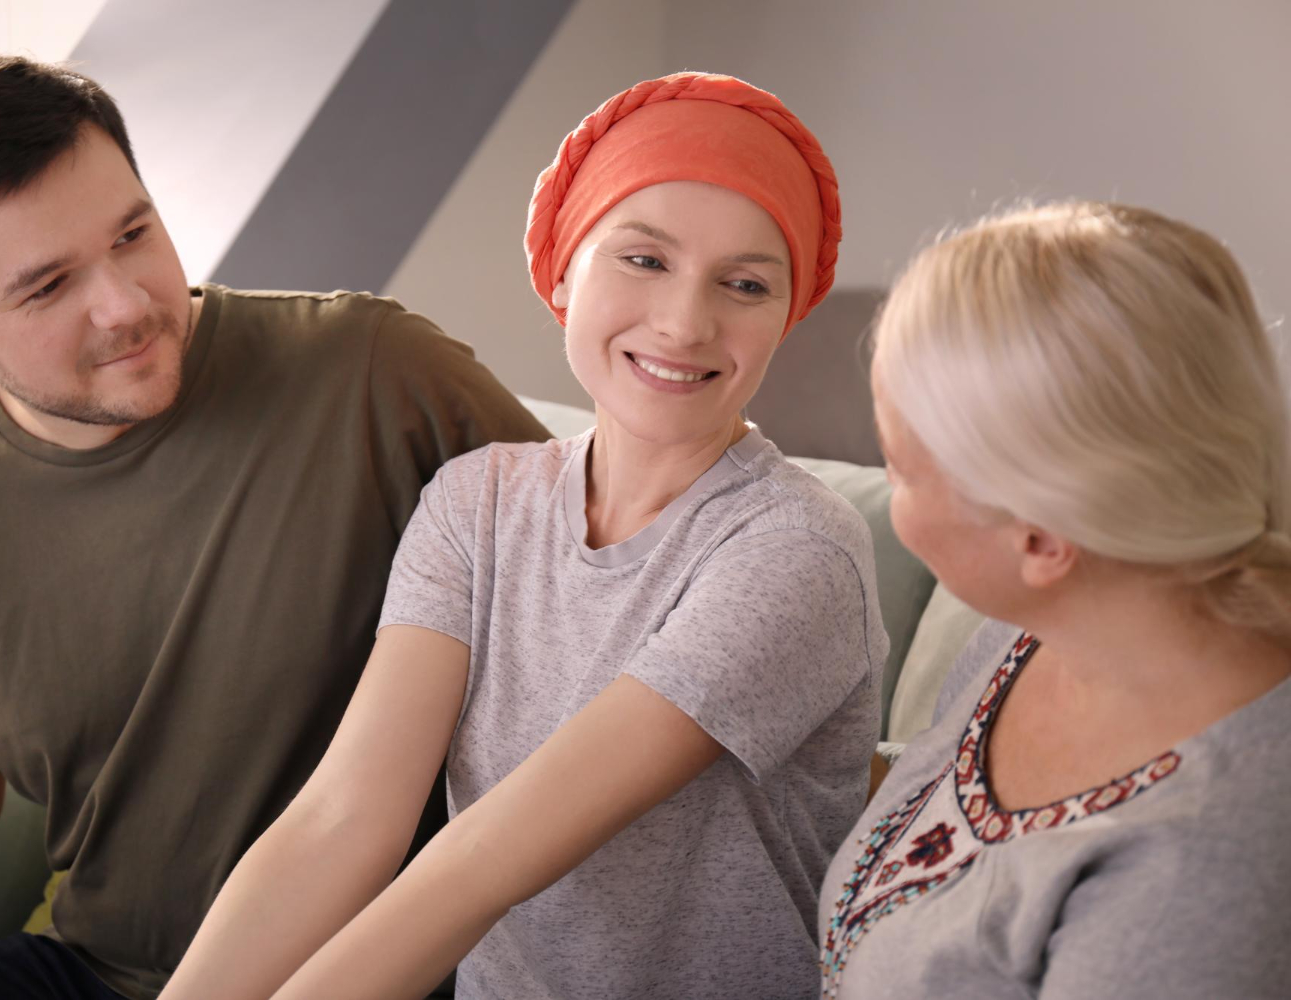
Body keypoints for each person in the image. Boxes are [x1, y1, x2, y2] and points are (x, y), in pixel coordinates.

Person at [0, 55, 547, 1000]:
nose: (126, 304)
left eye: (133, 233)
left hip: (396, 971)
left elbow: (606, 592)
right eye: (47, 286)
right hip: (94, 972)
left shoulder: (375, 375)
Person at [162, 72, 888, 1000]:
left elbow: (491, 858)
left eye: (745, 284)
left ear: (786, 315)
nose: (685, 321)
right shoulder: (477, 504)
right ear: (562, 270)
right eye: (644, 259)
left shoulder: (797, 553)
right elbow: (345, 821)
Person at [819, 202, 1291, 998]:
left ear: (1039, 540)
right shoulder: (1036, 628)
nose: (889, 489)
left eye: (897, 469)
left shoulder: (1197, 880)